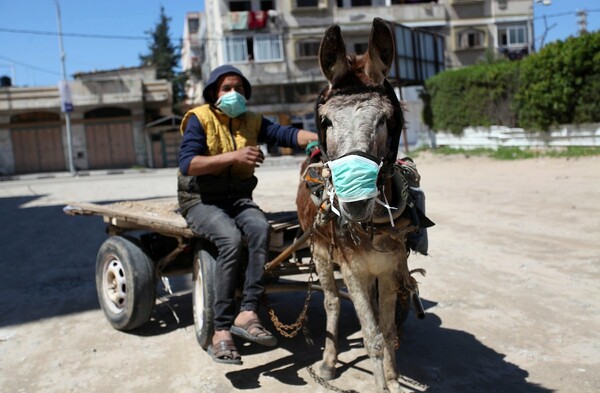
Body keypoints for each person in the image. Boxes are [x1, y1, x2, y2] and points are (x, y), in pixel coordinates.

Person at [177, 65, 316, 365]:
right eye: (227, 88)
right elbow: (188, 163)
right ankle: (221, 329)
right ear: (214, 93)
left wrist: (320, 137)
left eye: (239, 89)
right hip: (200, 201)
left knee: (259, 229)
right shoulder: (199, 120)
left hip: (238, 199)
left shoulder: (252, 121)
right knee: (229, 238)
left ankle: (248, 311)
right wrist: (235, 157)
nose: (234, 94)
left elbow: (287, 134)